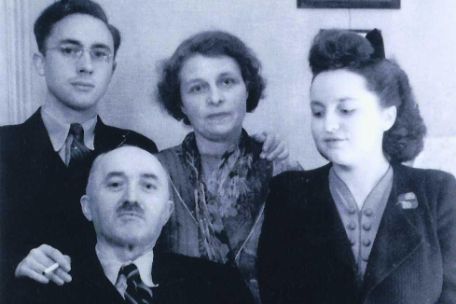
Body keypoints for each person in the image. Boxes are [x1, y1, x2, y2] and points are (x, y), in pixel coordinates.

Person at [258, 29, 456, 304]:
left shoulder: (438, 193)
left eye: (346, 110)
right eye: (318, 111)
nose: (328, 125)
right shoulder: (288, 194)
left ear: (387, 116)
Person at [0, 0, 157, 298]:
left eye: (99, 54)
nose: (86, 65)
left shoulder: (137, 149)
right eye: (70, 50)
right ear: (40, 62)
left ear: (111, 69)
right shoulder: (3, 147)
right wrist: (12, 264)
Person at [12, 146, 254, 304]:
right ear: (87, 207)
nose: (131, 198)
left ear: (166, 212)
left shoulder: (220, 287)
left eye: (148, 186)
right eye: (115, 184)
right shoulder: (43, 287)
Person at [156, 30, 294, 303]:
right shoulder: (155, 172)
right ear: (180, 102)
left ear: (248, 89)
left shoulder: (283, 171)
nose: (215, 98)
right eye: (197, 88)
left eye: (227, 82)